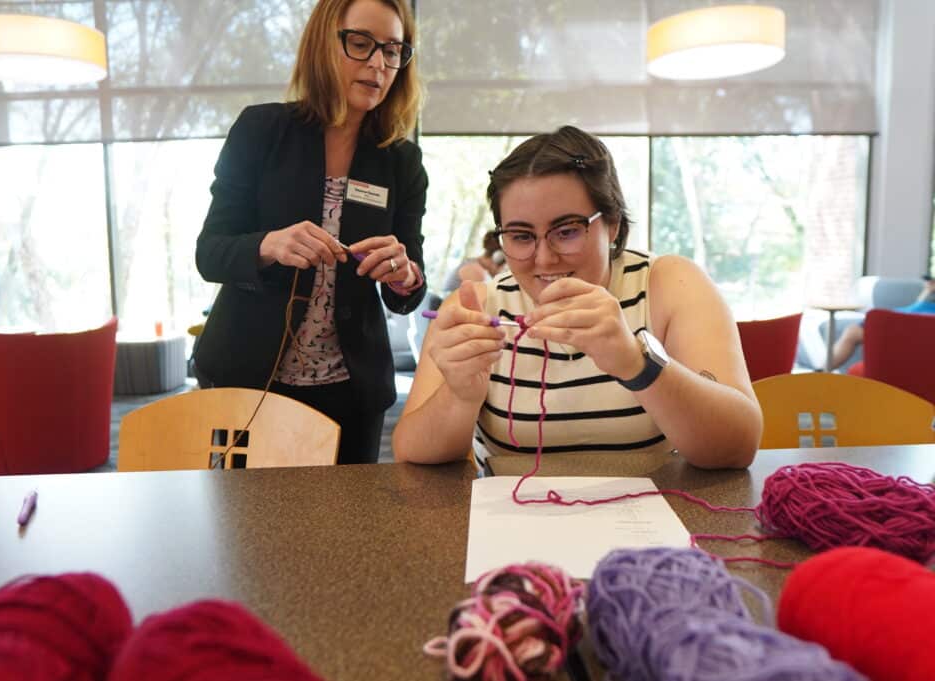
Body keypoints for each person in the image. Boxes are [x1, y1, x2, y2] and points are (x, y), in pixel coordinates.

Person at [393, 126, 762, 469]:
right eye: (521, 236)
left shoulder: (669, 285)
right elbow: (411, 453)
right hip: (514, 528)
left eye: (567, 231)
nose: (544, 258)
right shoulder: (477, 306)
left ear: (613, 223)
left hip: (652, 526)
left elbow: (739, 444)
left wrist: (636, 364)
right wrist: (459, 396)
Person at [194, 0, 428, 465]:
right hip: (251, 376)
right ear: (324, 43)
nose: (378, 64)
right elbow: (210, 253)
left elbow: (410, 285)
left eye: (393, 51)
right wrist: (268, 245)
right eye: (361, 44)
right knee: (246, 524)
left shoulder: (400, 159)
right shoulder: (261, 130)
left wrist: (405, 275)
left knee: (344, 528)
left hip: (352, 385)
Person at [829, 276, 935, 368]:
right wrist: (928, 290)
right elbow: (919, 304)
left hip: (911, 327)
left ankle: (823, 371)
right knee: (852, 331)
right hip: (894, 319)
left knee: (854, 332)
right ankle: (822, 371)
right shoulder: (928, 297)